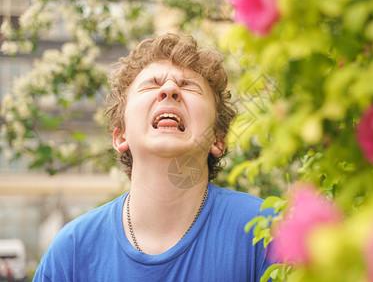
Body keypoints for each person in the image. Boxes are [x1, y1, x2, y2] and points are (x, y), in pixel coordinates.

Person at [33, 33, 273, 281]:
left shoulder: (264, 230)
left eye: (189, 86)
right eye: (152, 84)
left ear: (218, 139)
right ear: (120, 136)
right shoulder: (72, 250)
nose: (169, 89)